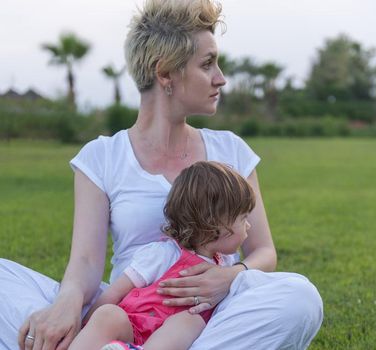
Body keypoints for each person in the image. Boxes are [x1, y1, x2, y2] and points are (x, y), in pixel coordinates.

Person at [0, 1, 323, 349]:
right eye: (207, 64)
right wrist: (66, 305)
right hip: (124, 311)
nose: (221, 78)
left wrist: (228, 277)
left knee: (300, 297)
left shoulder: (232, 151)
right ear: (165, 73)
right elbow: (86, 262)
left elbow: (263, 251)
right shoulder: (102, 157)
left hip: (207, 316)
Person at [69, 161, 256, 350]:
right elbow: (115, 291)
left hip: (169, 341)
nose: (248, 225)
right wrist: (85, 326)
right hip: (132, 328)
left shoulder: (226, 268)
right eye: (243, 219)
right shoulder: (165, 254)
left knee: (191, 321)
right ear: (215, 225)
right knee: (108, 314)